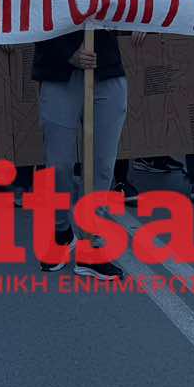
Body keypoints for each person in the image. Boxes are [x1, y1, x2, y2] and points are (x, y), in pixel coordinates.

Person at [33, 26, 126, 278]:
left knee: (102, 164)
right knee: (58, 164)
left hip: (105, 66)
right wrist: (67, 53)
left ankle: (91, 242)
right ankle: (62, 231)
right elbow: (35, 12)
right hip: (58, 70)